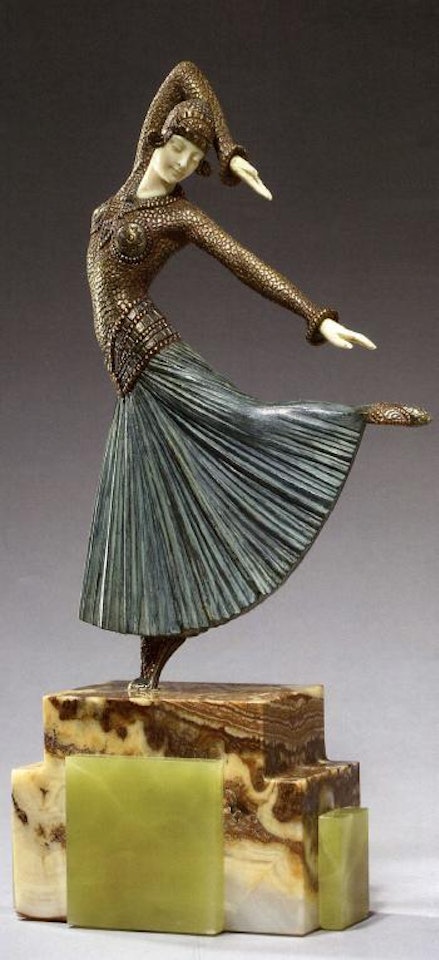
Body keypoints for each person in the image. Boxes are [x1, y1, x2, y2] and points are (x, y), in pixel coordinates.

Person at [80, 61, 429, 690]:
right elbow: (184, 74)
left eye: (195, 159)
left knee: (244, 421)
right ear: (159, 138)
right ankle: (153, 658)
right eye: (178, 148)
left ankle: (355, 417)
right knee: (150, 513)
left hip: (156, 358)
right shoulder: (134, 178)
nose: (182, 163)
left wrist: (315, 316)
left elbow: (245, 263)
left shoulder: (181, 219)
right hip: (131, 382)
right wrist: (231, 148)